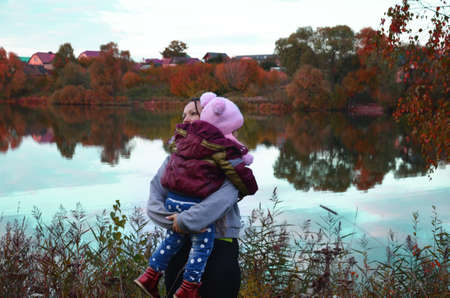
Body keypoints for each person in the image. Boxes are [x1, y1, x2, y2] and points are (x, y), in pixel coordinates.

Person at [135, 95, 257, 298]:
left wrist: (186, 220)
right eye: (184, 115)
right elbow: (155, 195)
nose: (187, 119)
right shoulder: (175, 157)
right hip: (179, 243)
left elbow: (225, 198)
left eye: (194, 113)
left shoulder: (226, 157)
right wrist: (176, 222)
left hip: (220, 244)